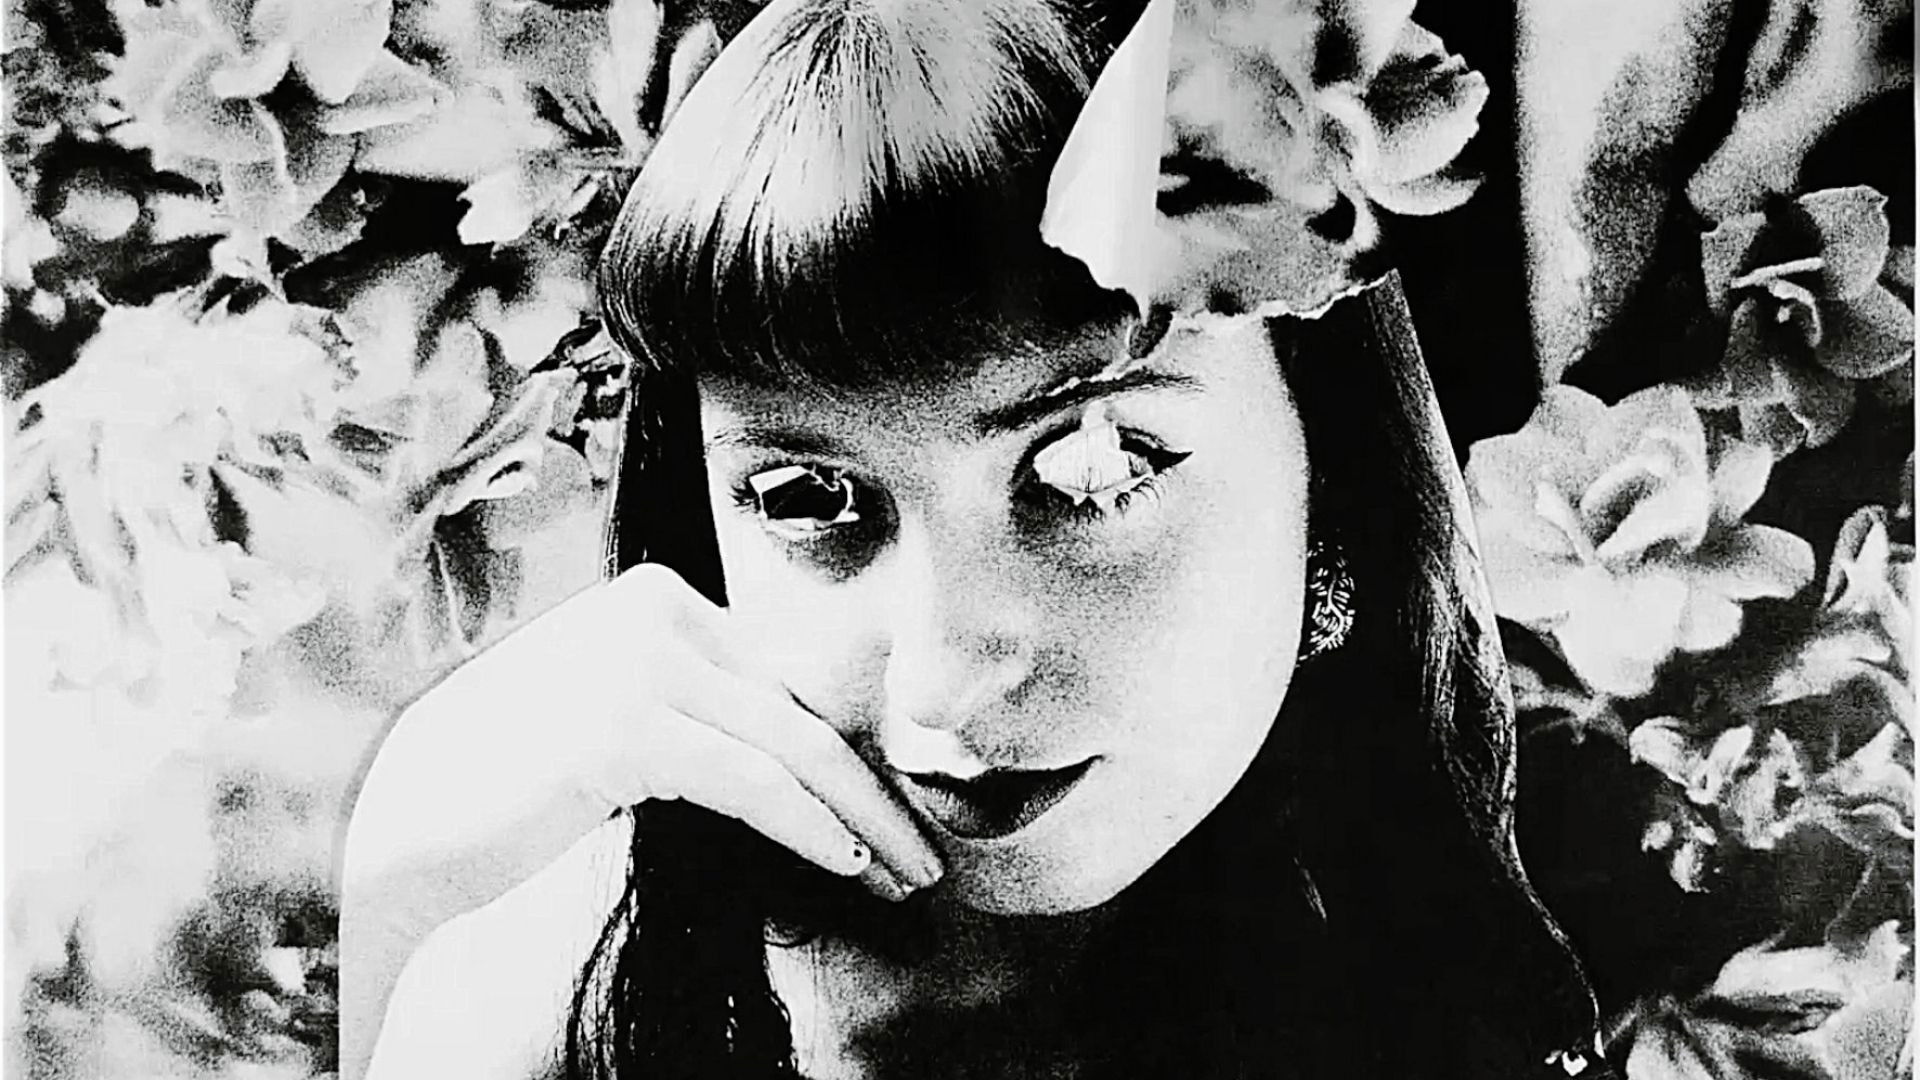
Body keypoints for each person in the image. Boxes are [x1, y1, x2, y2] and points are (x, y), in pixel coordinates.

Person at [340, 1, 1603, 1077]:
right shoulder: (545, 992)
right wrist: (405, 909)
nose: (941, 680)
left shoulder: (1612, 936)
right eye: (805, 500)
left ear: (1336, 490)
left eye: (1095, 472)